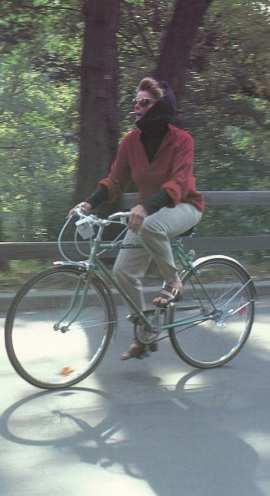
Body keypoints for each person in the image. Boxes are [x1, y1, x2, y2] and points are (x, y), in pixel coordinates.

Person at [72, 77, 205, 360]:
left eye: (144, 102)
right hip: (148, 214)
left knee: (152, 224)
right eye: (134, 101)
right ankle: (145, 333)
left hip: (184, 206)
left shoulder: (182, 141)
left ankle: (173, 283)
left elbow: (179, 184)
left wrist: (146, 207)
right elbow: (115, 180)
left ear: (159, 106)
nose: (136, 106)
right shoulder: (131, 142)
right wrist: (89, 202)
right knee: (122, 272)